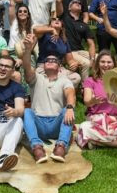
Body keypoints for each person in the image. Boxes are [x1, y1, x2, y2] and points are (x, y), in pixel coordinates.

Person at [20, 34, 76, 163]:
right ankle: (37, 147)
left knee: (66, 111)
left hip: (56, 124)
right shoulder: (36, 78)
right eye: (47, 60)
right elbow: (27, 66)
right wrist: (28, 50)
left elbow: (70, 93)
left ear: (59, 67)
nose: (50, 61)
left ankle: (61, 146)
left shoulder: (64, 80)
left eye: (54, 60)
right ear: (43, 65)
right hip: (38, 123)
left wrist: (69, 107)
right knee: (27, 112)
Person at [56, 0, 96, 82]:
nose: (78, 2)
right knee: (86, 63)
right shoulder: (64, 17)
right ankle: (85, 88)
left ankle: (99, 84)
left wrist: (92, 59)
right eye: (75, 2)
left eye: (79, 3)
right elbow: (58, 0)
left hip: (80, 50)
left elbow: (91, 44)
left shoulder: (83, 24)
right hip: (68, 52)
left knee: (101, 58)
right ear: (69, 8)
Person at [32, 16, 81, 86]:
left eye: (59, 20)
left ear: (61, 27)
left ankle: (58, 89)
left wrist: (74, 64)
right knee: (53, 81)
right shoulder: (44, 35)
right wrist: (51, 30)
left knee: (76, 77)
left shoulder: (64, 40)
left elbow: (70, 60)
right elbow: (35, 29)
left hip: (59, 68)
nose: (57, 20)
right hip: (43, 67)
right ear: (50, 24)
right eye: (54, 19)